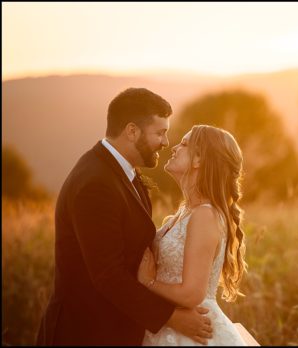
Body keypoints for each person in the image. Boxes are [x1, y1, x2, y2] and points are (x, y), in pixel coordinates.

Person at [36, 88, 213, 345]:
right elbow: (108, 274)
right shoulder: (96, 183)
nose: (165, 142)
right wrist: (171, 317)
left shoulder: (119, 173)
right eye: (160, 132)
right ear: (132, 131)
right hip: (85, 332)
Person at [138, 125, 248, 345]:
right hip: (168, 327)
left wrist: (148, 283)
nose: (174, 147)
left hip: (192, 332)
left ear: (199, 160)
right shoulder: (184, 213)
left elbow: (192, 294)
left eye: (185, 144)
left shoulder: (204, 216)